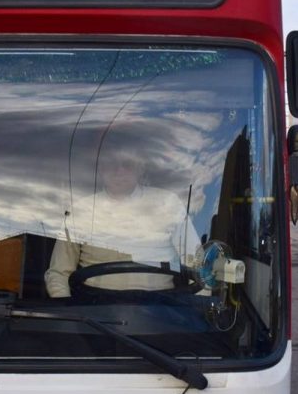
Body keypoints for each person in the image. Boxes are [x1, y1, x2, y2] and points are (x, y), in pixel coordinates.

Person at [45, 128, 203, 298]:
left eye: (127, 164)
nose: (118, 171)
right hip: (95, 311)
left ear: (140, 167)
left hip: (159, 310)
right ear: (100, 168)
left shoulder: (167, 204)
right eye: (111, 164)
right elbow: (58, 273)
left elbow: (199, 266)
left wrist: (202, 315)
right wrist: (69, 315)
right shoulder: (80, 210)